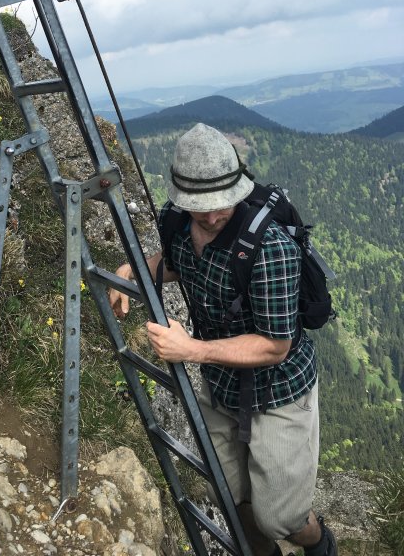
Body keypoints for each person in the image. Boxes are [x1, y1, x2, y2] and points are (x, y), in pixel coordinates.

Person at [109, 123, 337, 556]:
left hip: (279, 389)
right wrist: (132, 271)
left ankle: (319, 542)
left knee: (281, 519)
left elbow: (275, 346)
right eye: (201, 208)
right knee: (229, 495)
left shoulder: (269, 247)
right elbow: (177, 263)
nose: (212, 217)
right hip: (223, 385)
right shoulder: (177, 221)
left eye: (221, 205)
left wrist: (192, 350)